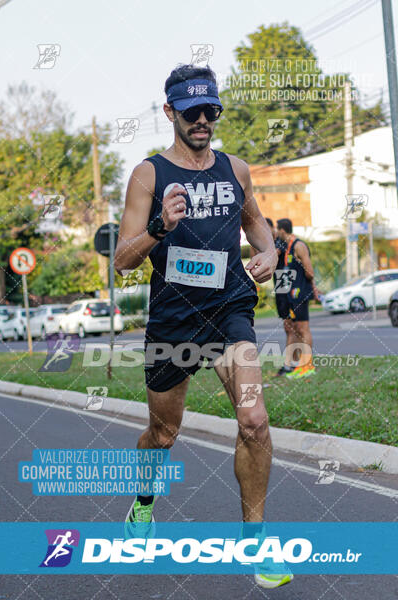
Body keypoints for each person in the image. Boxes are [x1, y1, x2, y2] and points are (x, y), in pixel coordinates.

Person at [114, 63, 292, 589]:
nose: (202, 120)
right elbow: (123, 260)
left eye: (210, 110)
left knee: (255, 421)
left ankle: (255, 543)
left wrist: (269, 255)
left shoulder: (235, 170)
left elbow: (256, 223)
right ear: (169, 112)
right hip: (172, 320)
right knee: (164, 433)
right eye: (191, 111)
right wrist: (158, 227)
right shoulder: (149, 174)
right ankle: (143, 504)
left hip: (230, 310)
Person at [275, 218, 319, 379]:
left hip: (300, 293)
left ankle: (307, 366)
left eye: (277, 229)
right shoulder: (286, 246)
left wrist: (301, 265)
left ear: (282, 230)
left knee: (303, 329)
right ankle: (300, 364)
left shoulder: (298, 245)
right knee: (296, 329)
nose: (276, 233)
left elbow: (310, 272)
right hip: (290, 294)